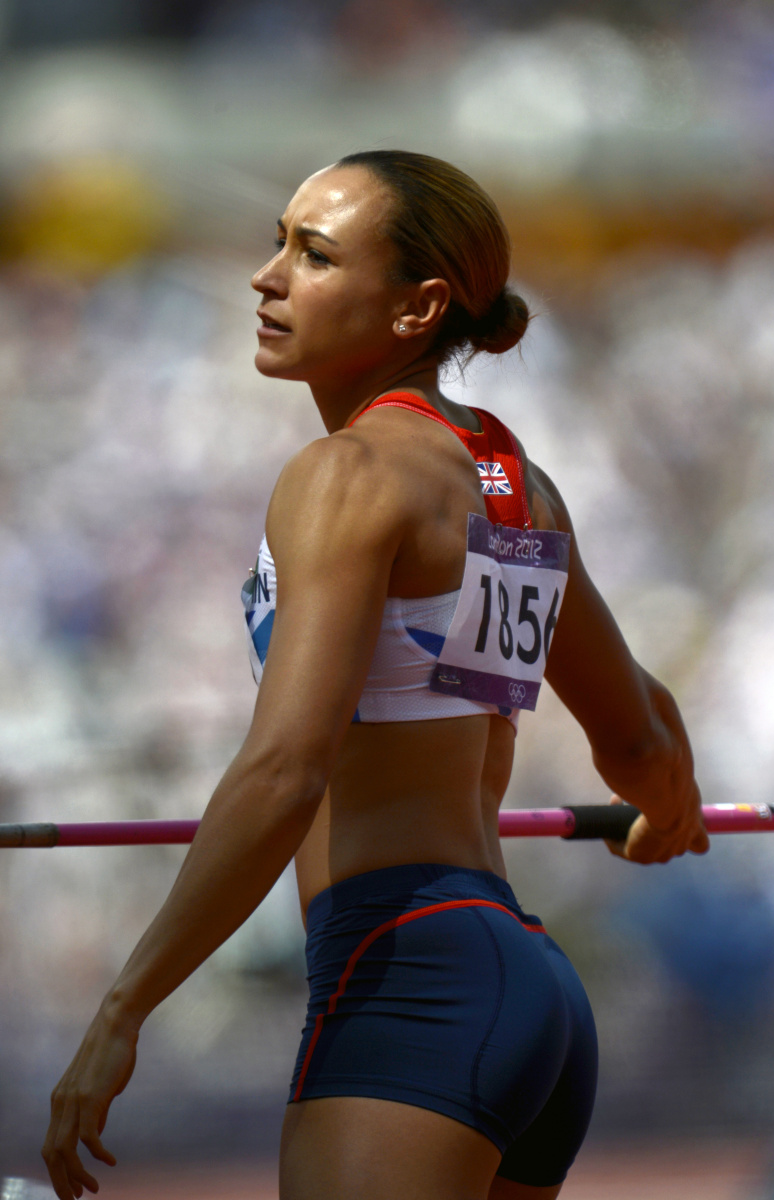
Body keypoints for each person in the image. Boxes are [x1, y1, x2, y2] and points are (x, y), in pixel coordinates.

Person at [42, 149, 709, 1200]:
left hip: (409, 983)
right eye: (277, 243)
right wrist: (667, 814)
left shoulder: (345, 475)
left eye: (311, 255)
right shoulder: (510, 482)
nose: (266, 278)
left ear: (418, 308)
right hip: (523, 986)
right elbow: (641, 741)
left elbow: (284, 771)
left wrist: (124, 1010)